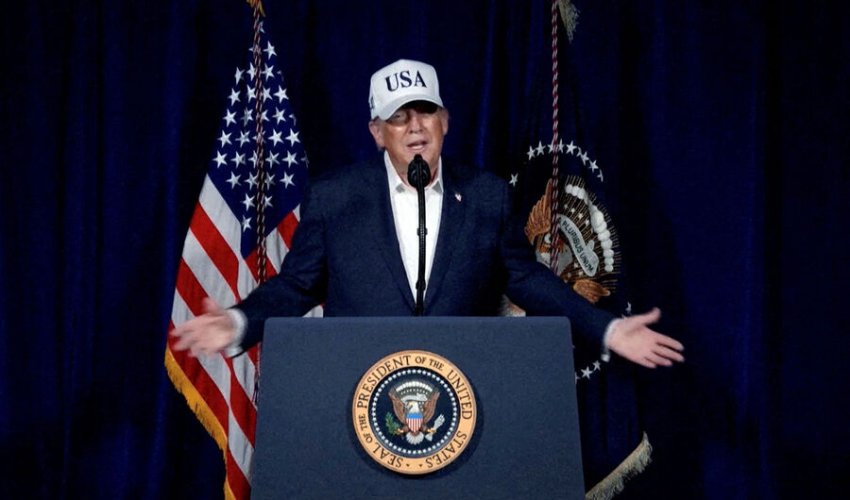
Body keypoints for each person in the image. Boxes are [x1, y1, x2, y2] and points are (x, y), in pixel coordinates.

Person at [171, 59, 684, 369]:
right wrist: (240, 321)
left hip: (464, 393)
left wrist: (606, 329)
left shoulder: (486, 196)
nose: (415, 127)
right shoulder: (335, 197)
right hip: (359, 393)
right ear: (377, 133)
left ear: (445, 122)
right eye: (399, 117)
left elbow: (527, 279)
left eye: (426, 112)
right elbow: (296, 286)